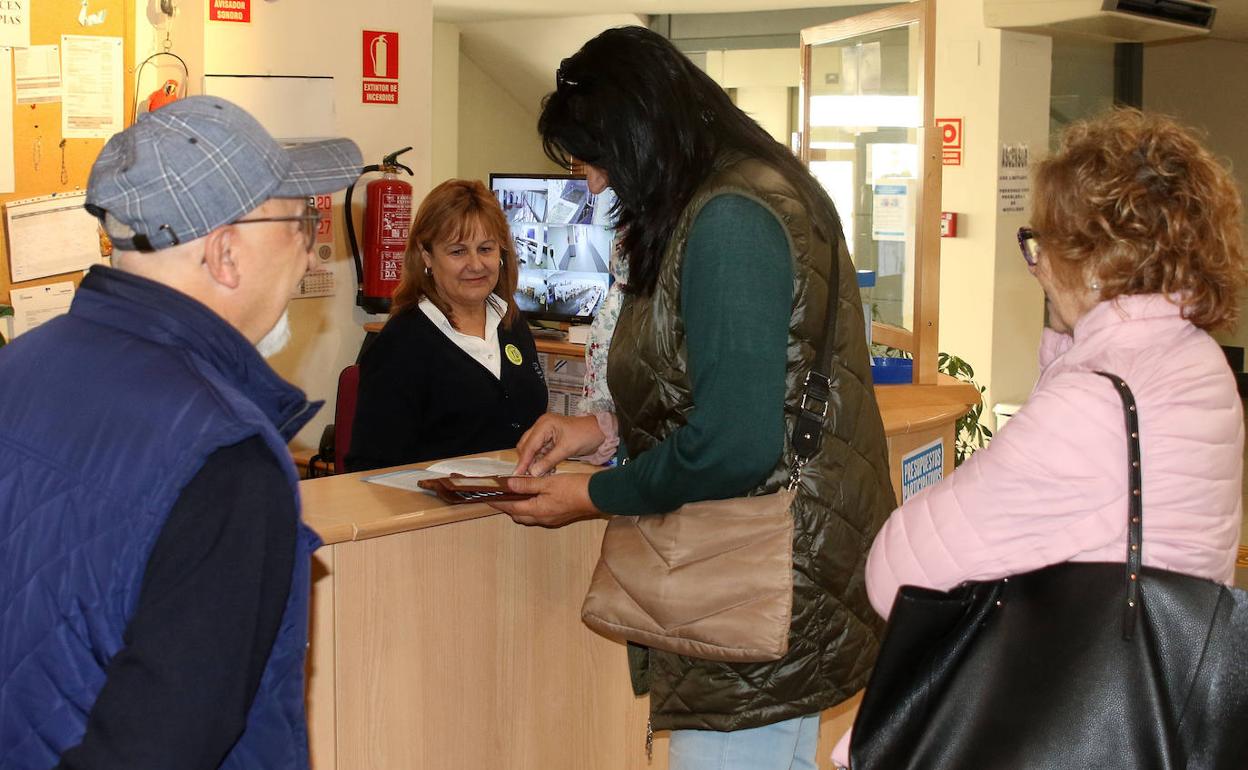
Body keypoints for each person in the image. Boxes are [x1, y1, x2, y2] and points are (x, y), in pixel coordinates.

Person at [490, 27, 895, 770]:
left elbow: (738, 443)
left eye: (597, 160)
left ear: (640, 134)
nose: (594, 185)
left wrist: (595, 495)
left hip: (762, 570)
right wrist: (602, 431)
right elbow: (734, 384)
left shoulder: (730, 219)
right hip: (786, 561)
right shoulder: (750, 189)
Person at [832, 108, 1246, 766]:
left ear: (1095, 261)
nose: (1036, 266)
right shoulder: (1198, 367)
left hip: (1067, 717)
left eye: (1042, 243)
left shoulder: (1091, 408)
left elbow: (896, 574)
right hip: (1160, 705)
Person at [0, 96, 362, 769]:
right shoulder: (224, 459)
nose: (313, 250)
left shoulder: (16, 369)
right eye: (301, 220)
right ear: (226, 254)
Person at [345, 179, 547, 472]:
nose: (476, 265)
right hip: (437, 512)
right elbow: (370, 468)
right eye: (457, 252)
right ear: (427, 255)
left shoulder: (511, 324)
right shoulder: (402, 344)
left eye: (486, 249)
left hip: (513, 505)